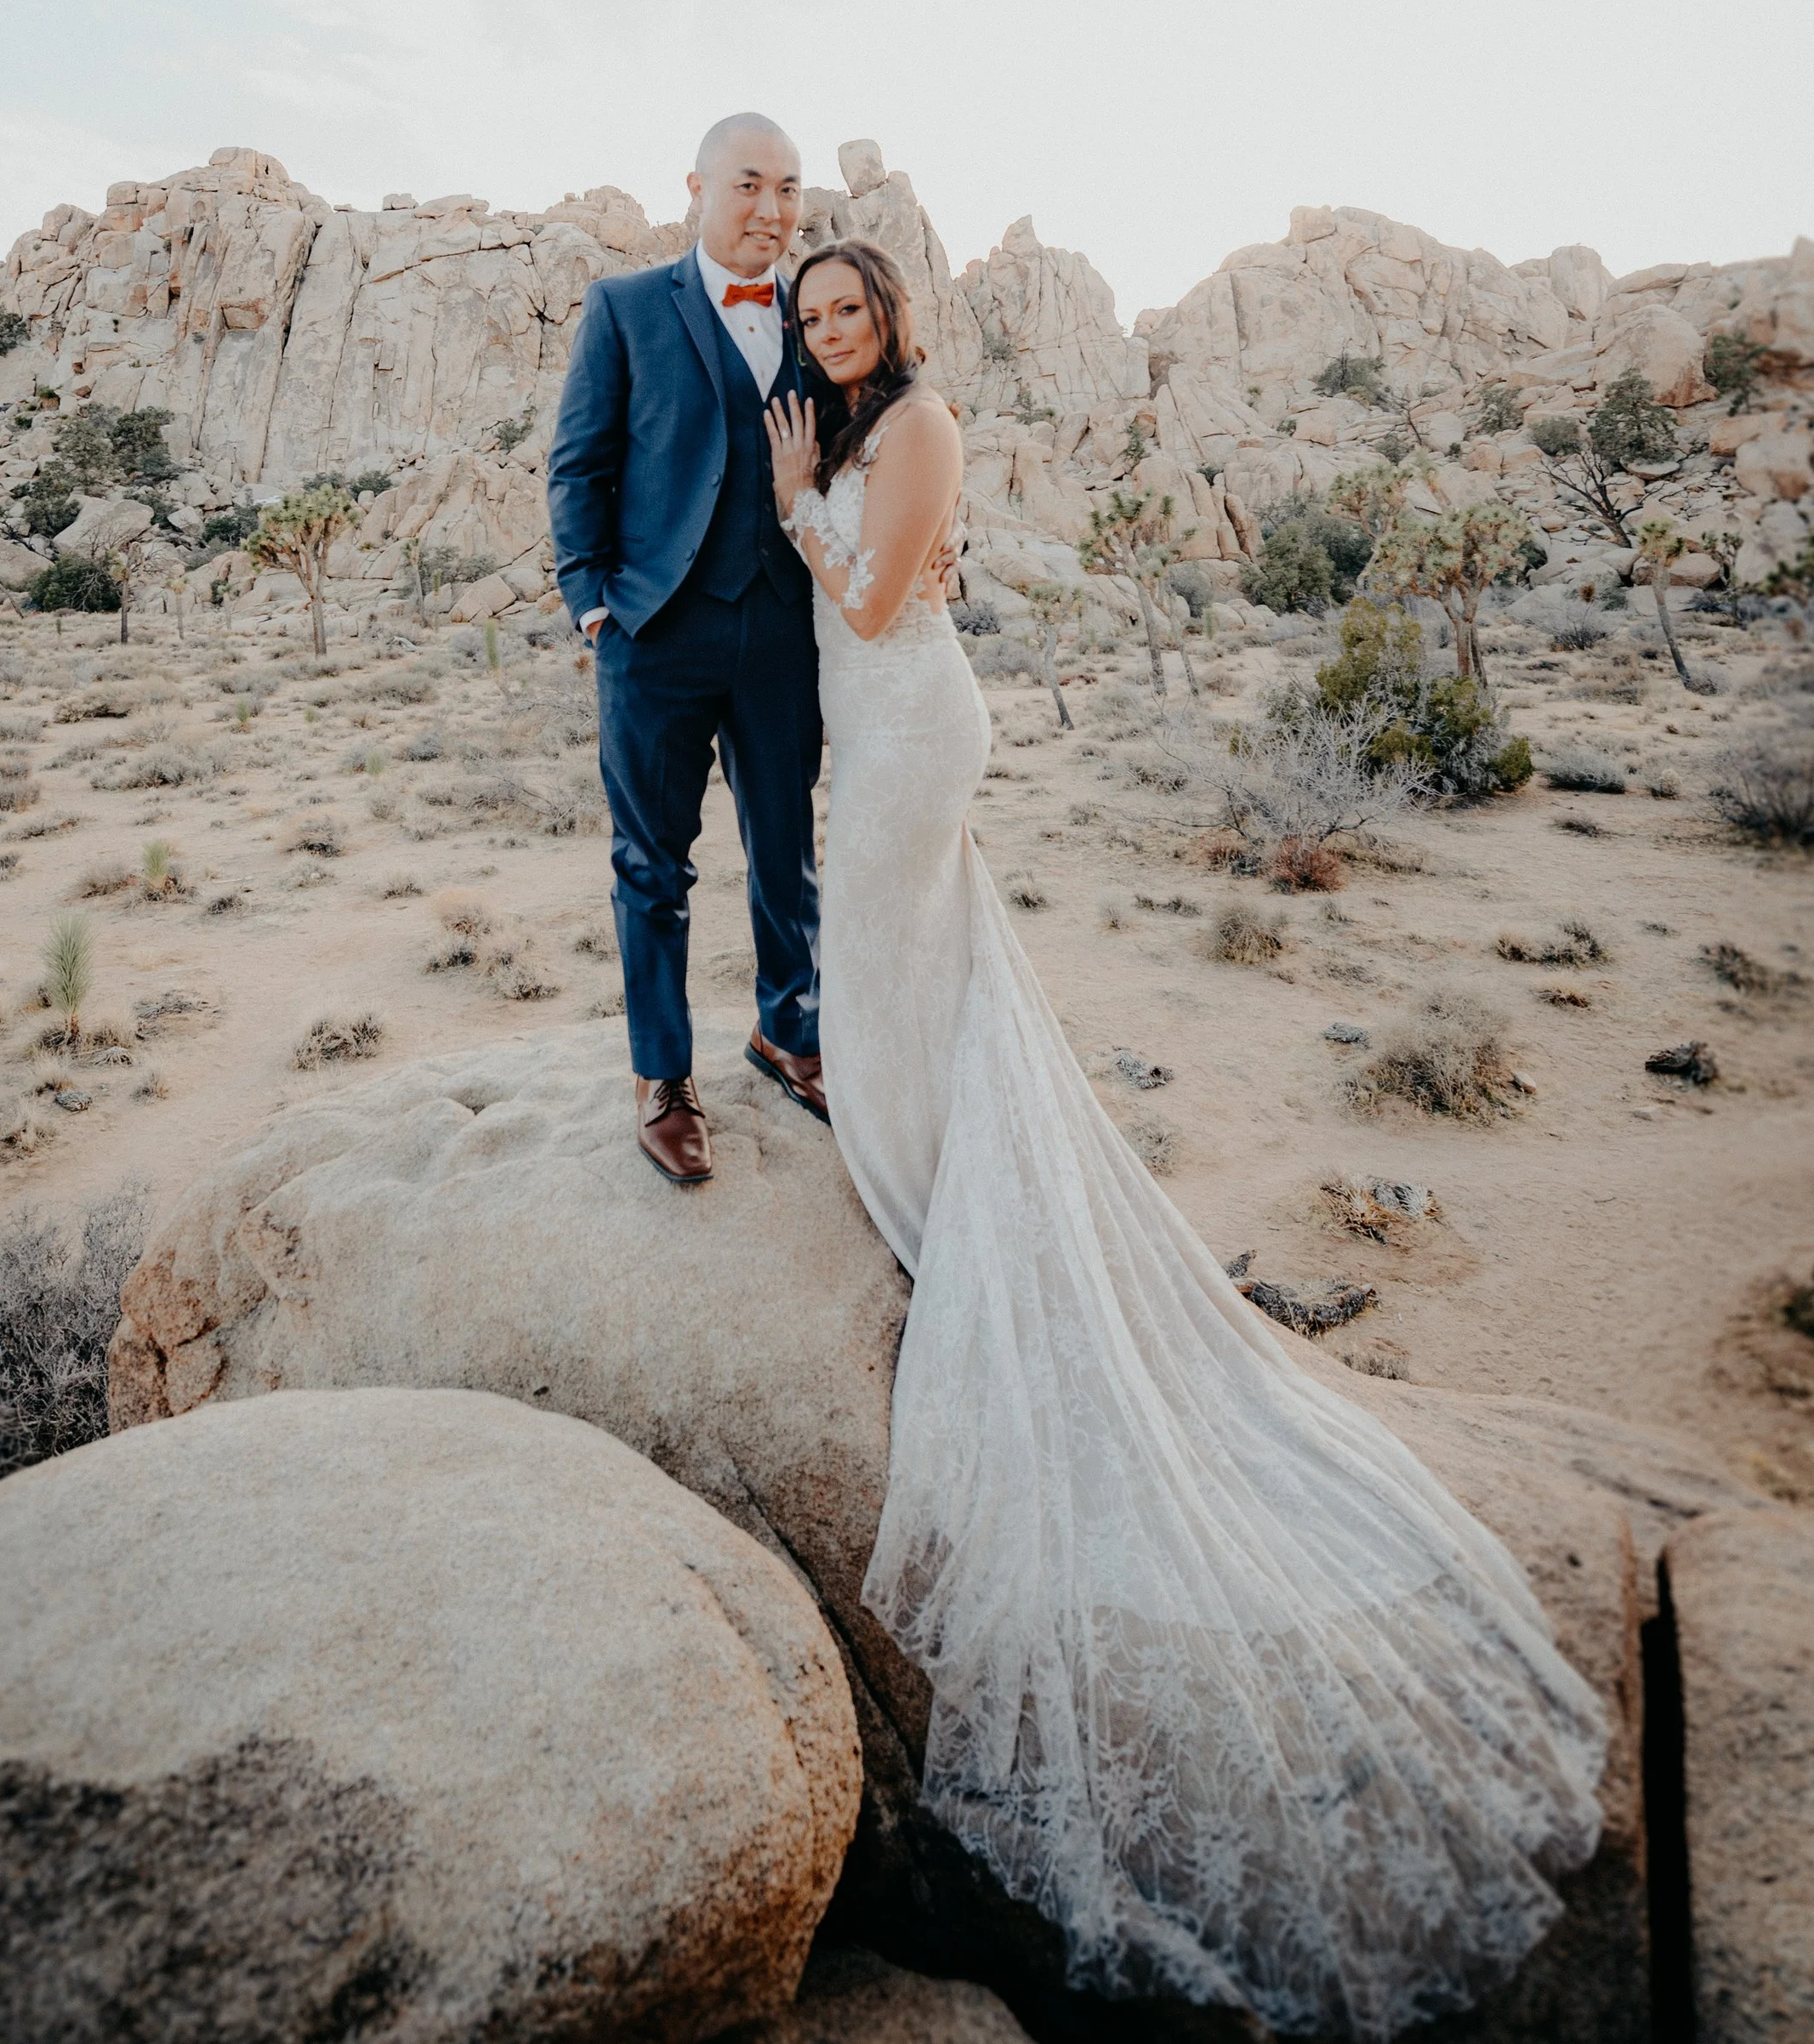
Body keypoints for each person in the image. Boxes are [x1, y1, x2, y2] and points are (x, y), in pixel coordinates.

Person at [765, 236, 1608, 2044]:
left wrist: (790, 506)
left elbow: (868, 602)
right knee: (902, 973)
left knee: (904, 967)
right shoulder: (842, 414)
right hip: (872, 737)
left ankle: (943, 1208)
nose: (832, 333)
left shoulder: (910, 422)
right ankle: (926, 1178)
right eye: (814, 318)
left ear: (889, 321)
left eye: (851, 312)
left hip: (909, 722)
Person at [547, 113, 828, 1186]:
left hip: (782, 631)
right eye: (750, 184)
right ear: (697, 189)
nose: (772, 209)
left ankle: (786, 1032)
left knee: (784, 849)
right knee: (650, 867)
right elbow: (579, 463)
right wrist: (590, 602)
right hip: (654, 632)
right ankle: (662, 1075)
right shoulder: (624, 307)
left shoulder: (817, 310)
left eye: (790, 188)